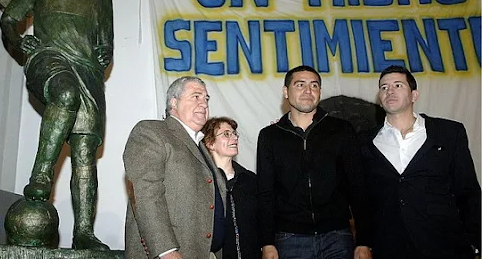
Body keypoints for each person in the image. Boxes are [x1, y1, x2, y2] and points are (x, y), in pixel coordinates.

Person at [0, 0, 113, 250]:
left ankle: (84, 232)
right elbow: (9, 20)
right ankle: (41, 176)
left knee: (84, 152)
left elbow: (106, 45)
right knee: (65, 94)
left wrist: (106, 54)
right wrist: (20, 41)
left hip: (88, 71)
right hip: (49, 58)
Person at [360, 65, 481, 259]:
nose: (389, 91)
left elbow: (468, 191)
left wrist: (475, 242)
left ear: (414, 95)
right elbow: (363, 200)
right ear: (380, 99)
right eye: (384, 87)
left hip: (447, 247)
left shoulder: (448, 133)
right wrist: (363, 242)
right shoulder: (364, 142)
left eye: (398, 85)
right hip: (391, 248)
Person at [257, 65, 372, 259]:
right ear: (286, 92)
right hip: (289, 239)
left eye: (314, 85)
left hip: (337, 238)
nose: (308, 91)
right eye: (300, 84)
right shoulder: (270, 136)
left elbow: (358, 187)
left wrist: (364, 241)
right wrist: (267, 243)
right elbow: (266, 193)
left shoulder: (341, 130)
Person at [123, 76, 227, 259]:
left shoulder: (200, 146)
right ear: (174, 102)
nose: (204, 104)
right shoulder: (151, 132)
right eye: (196, 96)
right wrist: (166, 250)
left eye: (206, 99)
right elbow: (146, 192)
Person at [202, 117, 261, 259]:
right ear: (210, 143)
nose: (234, 137)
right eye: (226, 134)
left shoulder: (250, 179)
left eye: (234, 134)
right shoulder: (203, 183)